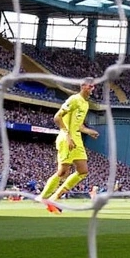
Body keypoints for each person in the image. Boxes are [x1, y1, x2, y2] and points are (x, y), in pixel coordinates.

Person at [41, 80, 100, 213]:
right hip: (67, 138)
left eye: (94, 86)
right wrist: (67, 135)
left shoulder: (85, 104)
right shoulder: (74, 99)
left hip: (77, 140)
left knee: (83, 171)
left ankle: (54, 198)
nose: (92, 89)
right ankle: (43, 197)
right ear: (83, 86)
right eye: (90, 86)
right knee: (63, 172)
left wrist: (90, 132)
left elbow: (79, 126)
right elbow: (57, 117)